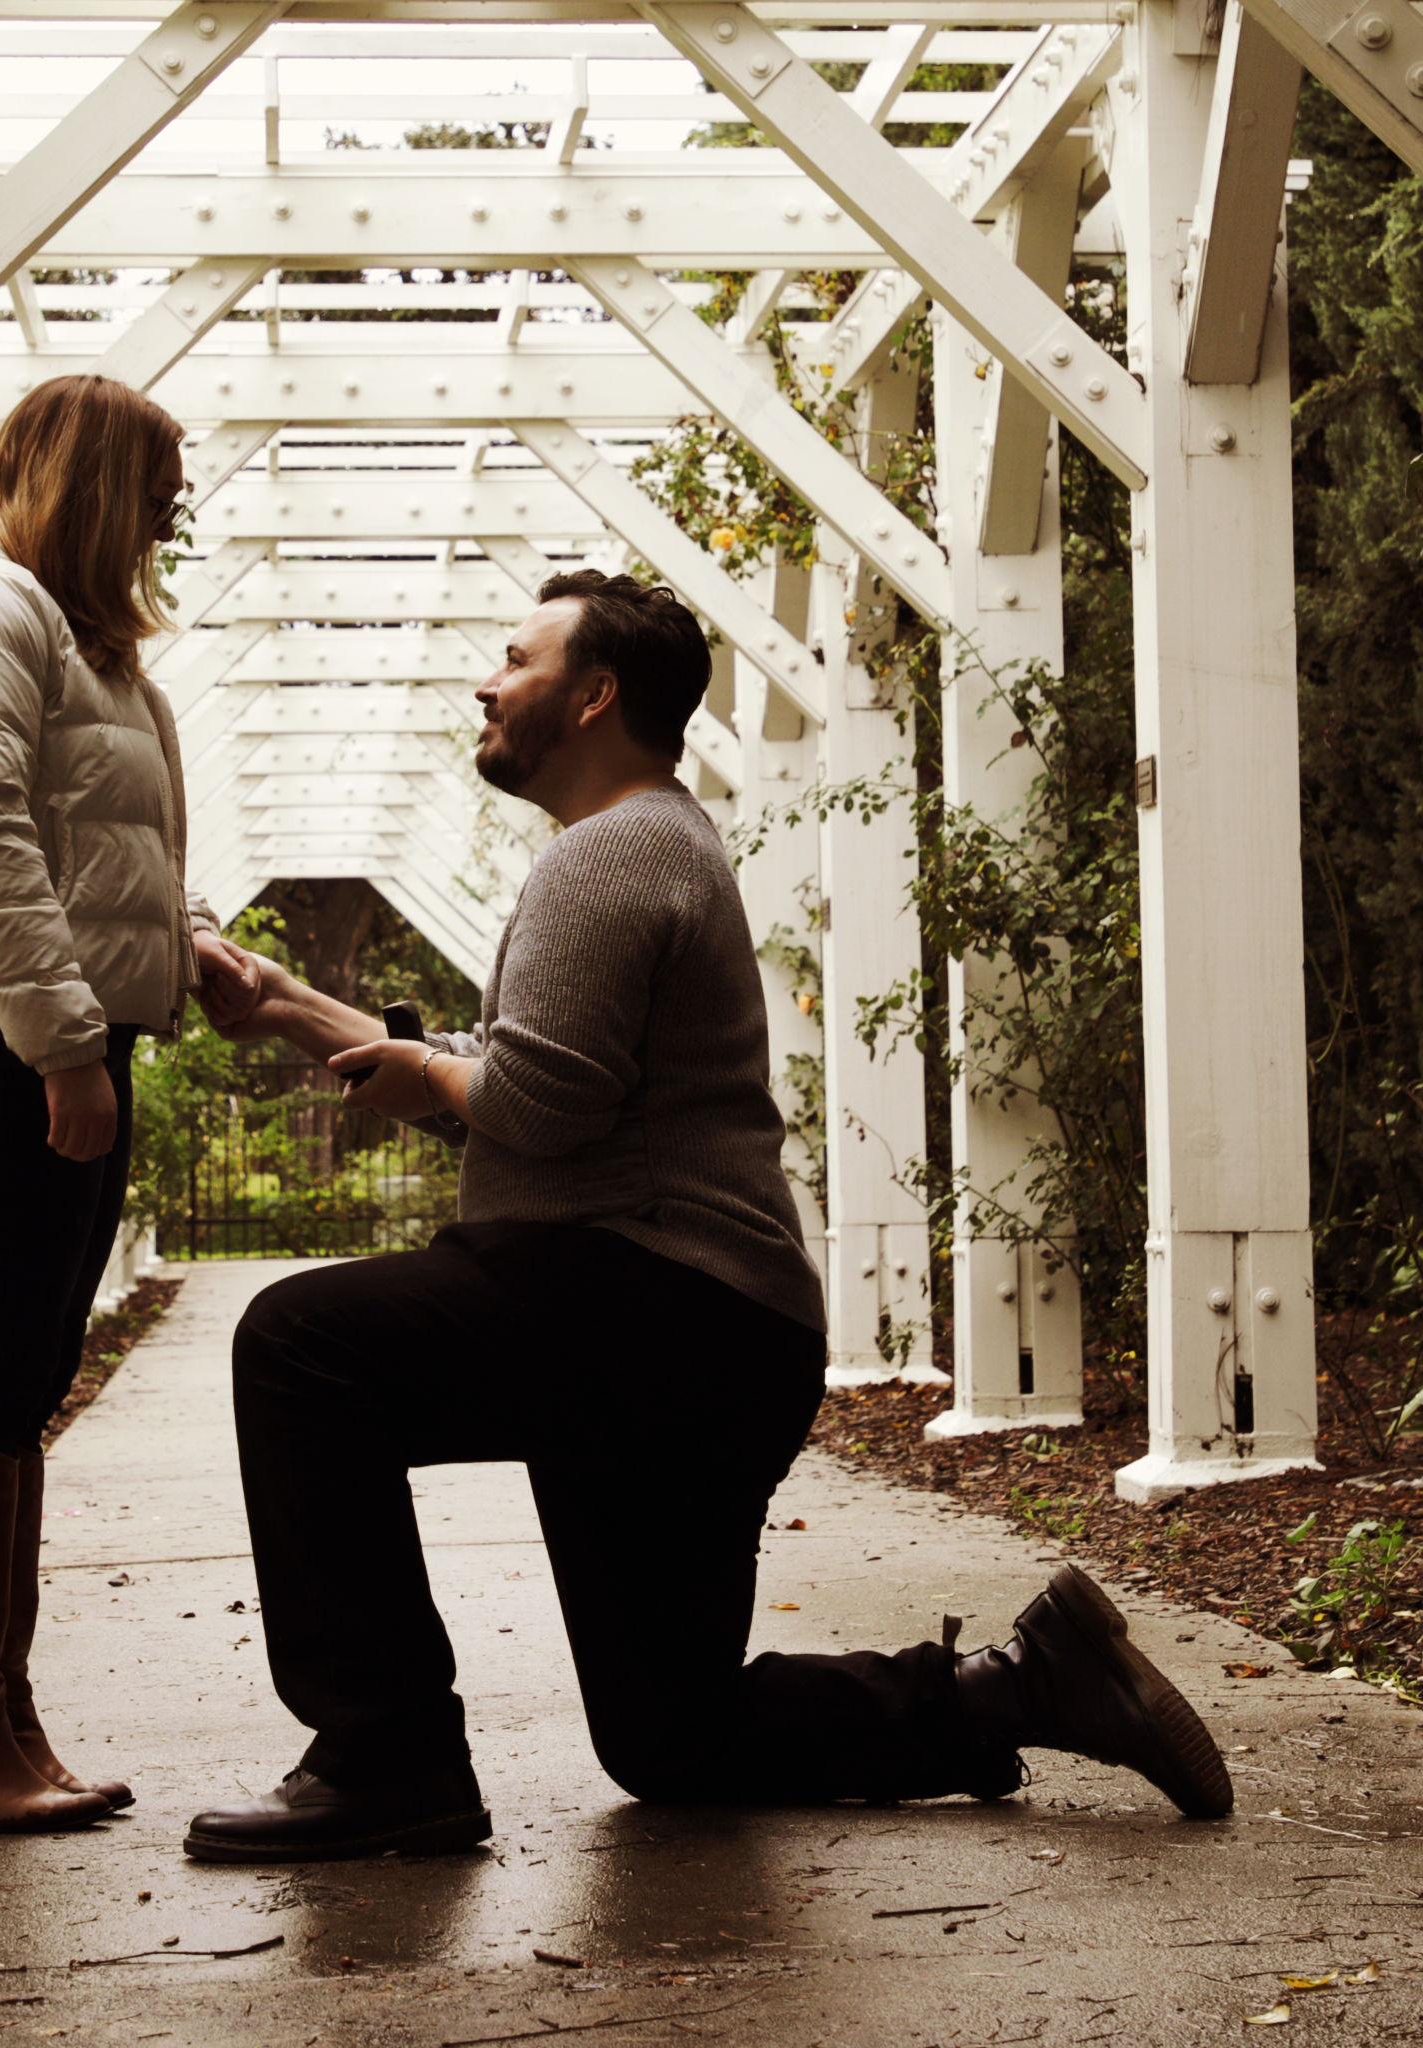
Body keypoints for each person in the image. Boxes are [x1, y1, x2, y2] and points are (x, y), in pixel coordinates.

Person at [183, 570, 1233, 1862]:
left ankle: (386, 1759)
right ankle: (1027, 1684)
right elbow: (516, 1084)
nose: (487, 684)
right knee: (672, 1737)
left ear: (594, 696)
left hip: (651, 1301)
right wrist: (291, 1006)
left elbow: (536, 1103)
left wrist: (442, 1077)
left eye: (515, 660)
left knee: (301, 1344)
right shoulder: (652, 842)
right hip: (711, 1333)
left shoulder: (610, 851)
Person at [0, 375, 258, 1834]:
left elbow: (93, 839)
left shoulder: (62, 628)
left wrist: (190, 944)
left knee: (25, 1369)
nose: (167, 529)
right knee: (2, 1363)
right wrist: (65, 1045)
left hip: (36, 1030)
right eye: (157, 501)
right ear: (97, 489)